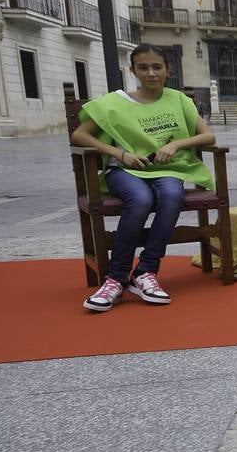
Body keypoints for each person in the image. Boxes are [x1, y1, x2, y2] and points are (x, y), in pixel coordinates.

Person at [70, 44, 218, 312]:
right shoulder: (114, 102)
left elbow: (207, 136)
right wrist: (120, 153)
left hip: (168, 169)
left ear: (167, 71)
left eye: (157, 67)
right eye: (143, 67)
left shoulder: (179, 100)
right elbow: (80, 135)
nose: (151, 73)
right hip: (124, 170)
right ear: (133, 70)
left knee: (172, 195)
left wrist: (176, 145)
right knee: (140, 199)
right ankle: (115, 279)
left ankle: (145, 272)